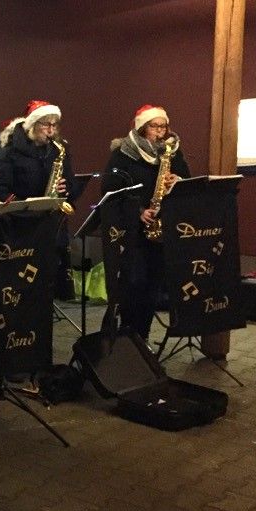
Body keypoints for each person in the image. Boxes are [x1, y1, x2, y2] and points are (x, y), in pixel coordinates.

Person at [101, 104, 190, 340]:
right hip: (132, 232)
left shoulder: (172, 152)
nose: (160, 132)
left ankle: (143, 335)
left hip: (161, 228)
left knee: (152, 285)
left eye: (163, 126)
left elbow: (187, 181)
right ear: (142, 128)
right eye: (154, 126)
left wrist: (177, 180)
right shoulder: (123, 154)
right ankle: (127, 333)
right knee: (133, 284)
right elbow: (110, 190)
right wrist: (138, 211)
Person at [0, 99, 85, 300]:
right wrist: (24, 207)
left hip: (49, 224)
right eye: (45, 124)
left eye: (54, 125)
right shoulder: (8, 150)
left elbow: (72, 185)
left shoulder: (58, 150)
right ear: (32, 125)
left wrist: (66, 188)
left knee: (45, 283)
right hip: (19, 226)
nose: (51, 130)